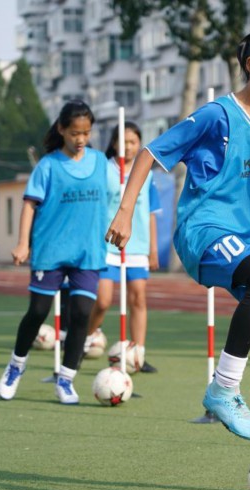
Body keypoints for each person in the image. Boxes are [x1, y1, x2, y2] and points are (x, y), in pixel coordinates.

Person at [106, 27, 250, 490]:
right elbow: (149, 153)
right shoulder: (216, 115)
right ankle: (223, 387)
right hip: (206, 231)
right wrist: (125, 211)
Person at [0, 100, 108, 404]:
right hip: (51, 250)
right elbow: (29, 205)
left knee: (82, 314)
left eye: (86, 133)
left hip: (88, 252)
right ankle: (16, 365)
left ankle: (66, 379)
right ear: (61, 129)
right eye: (74, 133)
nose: (81, 139)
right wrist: (23, 243)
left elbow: (113, 199)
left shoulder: (100, 162)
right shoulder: (48, 165)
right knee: (37, 312)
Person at [84, 121, 160, 372]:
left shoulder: (146, 172)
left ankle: (137, 353)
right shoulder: (104, 170)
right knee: (103, 300)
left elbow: (151, 213)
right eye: (123, 142)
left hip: (137, 247)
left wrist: (153, 250)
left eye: (133, 142)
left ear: (139, 144)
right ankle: (86, 339)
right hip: (107, 246)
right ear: (114, 143)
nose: (128, 147)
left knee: (138, 298)